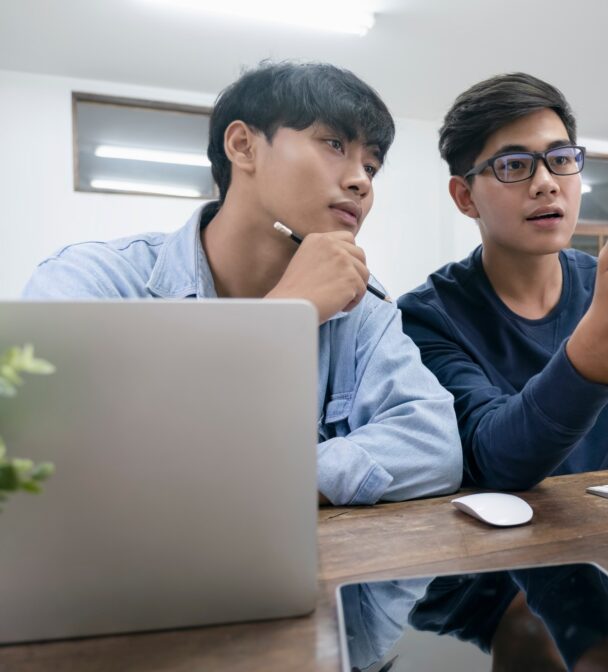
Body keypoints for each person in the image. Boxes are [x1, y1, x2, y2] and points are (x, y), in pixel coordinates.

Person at [22, 61, 462, 506]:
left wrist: (260, 479)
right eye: (334, 144)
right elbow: (47, 446)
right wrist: (282, 316)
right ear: (243, 145)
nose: (360, 181)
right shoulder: (94, 279)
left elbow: (435, 444)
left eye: (371, 166)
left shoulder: (361, 304)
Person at [398, 73, 608, 490]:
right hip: (482, 549)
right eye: (513, 165)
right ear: (465, 197)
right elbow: (497, 461)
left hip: (600, 540)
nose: (546, 183)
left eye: (560, 159)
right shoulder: (425, 318)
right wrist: (601, 345)